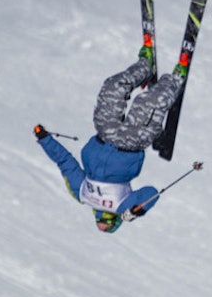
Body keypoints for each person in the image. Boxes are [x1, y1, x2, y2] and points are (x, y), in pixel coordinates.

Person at [34, 48, 185, 233]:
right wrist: (136, 211)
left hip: (104, 133)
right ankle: (175, 79)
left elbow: (65, 162)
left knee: (112, 88)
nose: (102, 217)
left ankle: (145, 66)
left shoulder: (81, 194)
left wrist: (45, 140)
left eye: (99, 220)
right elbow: (151, 193)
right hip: (131, 143)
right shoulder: (122, 206)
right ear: (116, 221)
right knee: (148, 103)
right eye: (107, 221)